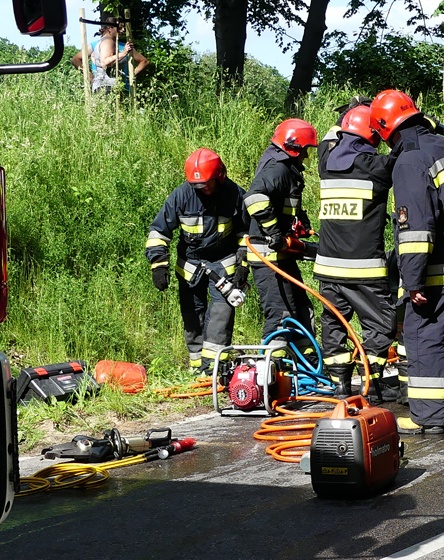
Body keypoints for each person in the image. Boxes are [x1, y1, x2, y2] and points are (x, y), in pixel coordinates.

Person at [369, 89, 444, 434]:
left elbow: (416, 230)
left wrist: (414, 281)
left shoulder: (410, 161)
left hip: (440, 269)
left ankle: (430, 417)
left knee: (426, 339)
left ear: (385, 129)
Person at [315, 105, 398, 403]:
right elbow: (403, 155)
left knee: (334, 324)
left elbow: (328, 138)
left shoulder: (325, 161)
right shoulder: (376, 166)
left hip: (328, 268)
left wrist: (348, 113)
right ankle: (372, 381)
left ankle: (341, 386)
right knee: (382, 323)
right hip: (364, 269)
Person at [145, 148, 249, 373]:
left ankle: (213, 369)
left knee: (221, 315)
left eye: (207, 184)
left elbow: (247, 233)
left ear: (219, 176)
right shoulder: (181, 195)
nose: (203, 189)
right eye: (198, 185)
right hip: (191, 267)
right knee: (192, 317)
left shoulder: (234, 195)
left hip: (224, 264)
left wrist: (243, 263)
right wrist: (158, 265)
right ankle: (196, 368)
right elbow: (159, 232)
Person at [243, 119, 318, 348]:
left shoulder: (287, 169)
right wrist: (274, 231)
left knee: (302, 313)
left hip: (282, 257)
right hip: (269, 259)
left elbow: (284, 203)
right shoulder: (278, 169)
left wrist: (300, 221)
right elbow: (254, 198)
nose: (306, 156)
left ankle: (306, 369)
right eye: (305, 150)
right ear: (295, 147)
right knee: (281, 317)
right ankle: (273, 377)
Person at [71, 16, 149, 94]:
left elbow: (144, 61)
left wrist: (130, 75)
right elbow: (75, 59)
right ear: (110, 28)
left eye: (123, 28)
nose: (123, 30)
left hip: (122, 88)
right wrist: (89, 75)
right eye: (119, 28)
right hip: (104, 86)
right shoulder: (94, 45)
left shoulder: (124, 46)